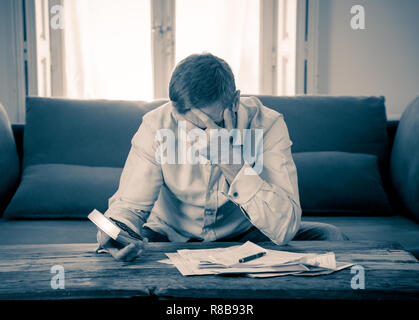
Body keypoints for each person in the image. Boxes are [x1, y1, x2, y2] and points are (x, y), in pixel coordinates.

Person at [96, 53, 347, 262]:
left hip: (247, 233)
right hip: (171, 234)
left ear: (236, 101)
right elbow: (130, 207)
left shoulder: (268, 124)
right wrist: (117, 233)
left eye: (209, 126)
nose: (197, 136)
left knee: (329, 235)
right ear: (175, 109)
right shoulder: (156, 125)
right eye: (187, 124)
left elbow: (285, 228)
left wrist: (231, 163)